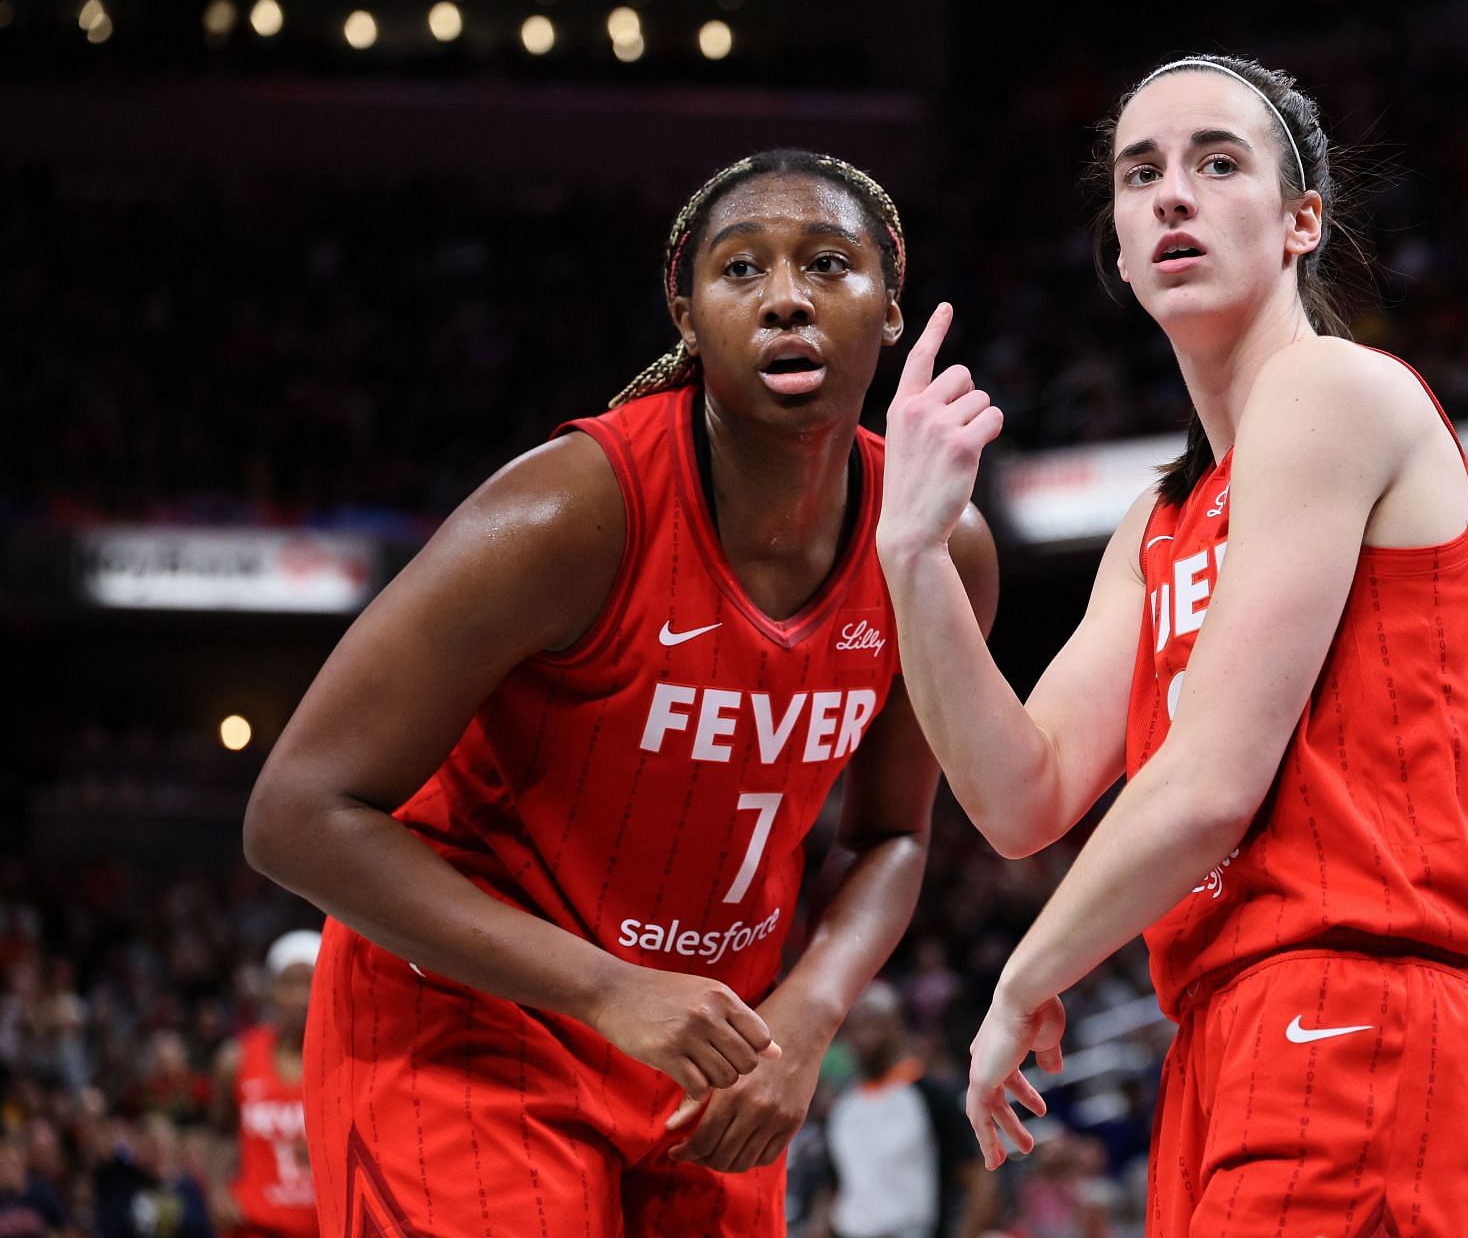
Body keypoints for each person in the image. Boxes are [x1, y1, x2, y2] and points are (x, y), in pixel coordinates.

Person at [245, 149, 996, 1236]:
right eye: (741, 270)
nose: (787, 296)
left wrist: (807, 1012)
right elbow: (295, 812)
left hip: (708, 1050)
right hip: (468, 1028)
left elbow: (891, 837)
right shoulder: (573, 511)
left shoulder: (937, 542)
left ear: (890, 307)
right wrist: (608, 988)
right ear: (687, 315)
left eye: (828, 264)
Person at [876, 55, 1468, 1235]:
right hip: (1225, 1035)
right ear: (1121, 251)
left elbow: (1208, 783)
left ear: (1301, 223)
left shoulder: (1331, 390)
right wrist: (913, 559)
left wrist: (1027, 975)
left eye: (1215, 162)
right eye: (1141, 175)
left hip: (1359, 1020)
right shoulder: (1159, 518)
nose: (1171, 193)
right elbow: (1018, 793)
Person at [809, 981, 996, 1238]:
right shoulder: (842, 1107)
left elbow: (979, 1181)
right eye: (855, 1026)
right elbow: (833, 1184)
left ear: (898, 1026)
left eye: (873, 1021)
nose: (863, 1034)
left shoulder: (931, 1096)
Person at [211, 930, 320, 1238]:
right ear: (272, 990)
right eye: (289, 984)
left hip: (323, 1227)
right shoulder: (236, 1059)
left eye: (309, 983)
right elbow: (218, 1133)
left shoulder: (349, 1064)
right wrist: (218, 1188)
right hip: (252, 1226)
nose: (300, 997)